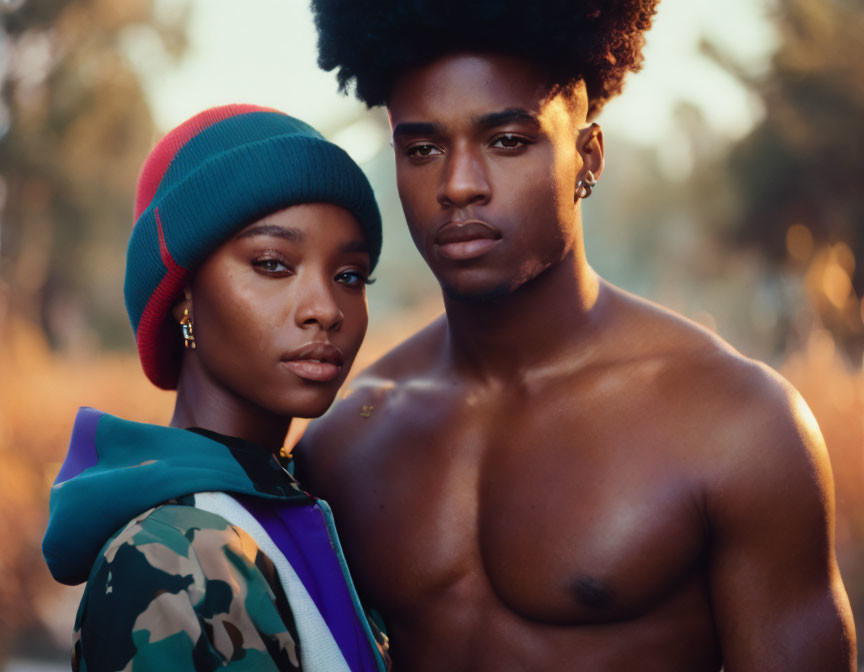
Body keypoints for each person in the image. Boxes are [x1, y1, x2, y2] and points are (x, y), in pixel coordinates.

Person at [297, 2, 857, 670]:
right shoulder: (343, 445)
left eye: (507, 141)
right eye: (423, 149)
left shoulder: (737, 423)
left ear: (586, 156)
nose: (459, 185)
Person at [42, 104, 389, 671]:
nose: (326, 309)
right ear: (182, 294)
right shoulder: (165, 558)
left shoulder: (310, 505)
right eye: (274, 264)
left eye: (349, 275)